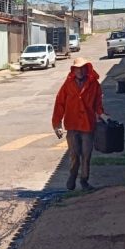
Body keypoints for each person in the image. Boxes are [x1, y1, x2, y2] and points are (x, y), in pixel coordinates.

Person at [52, 57, 111, 191]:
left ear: (86, 69)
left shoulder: (94, 84)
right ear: (73, 70)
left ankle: (84, 180)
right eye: (77, 68)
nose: (79, 71)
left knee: (86, 155)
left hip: (88, 126)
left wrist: (102, 115)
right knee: (74, 154)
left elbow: (98, 104)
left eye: (82, 68)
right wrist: (57, 125)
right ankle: (72, 176)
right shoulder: (68, 85)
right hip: (72, 125)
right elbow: (59, 104)